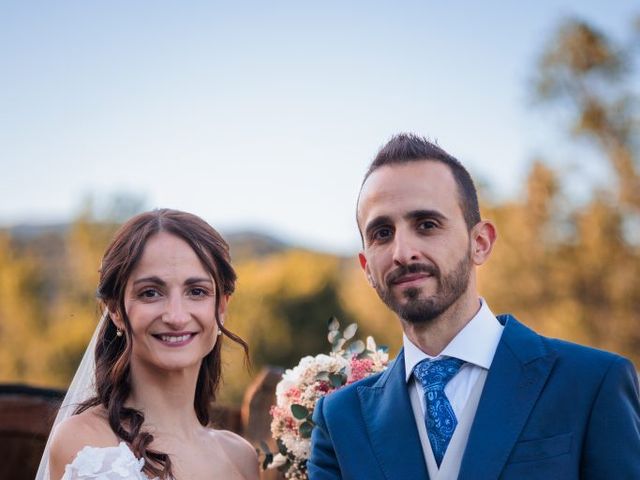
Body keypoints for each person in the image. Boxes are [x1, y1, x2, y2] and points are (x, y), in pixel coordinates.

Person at [308, 134, 640, 479]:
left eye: (426, 225)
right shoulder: (340, 420)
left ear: (480, 242)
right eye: (382, 233)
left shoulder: (591, 383)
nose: (402, 252)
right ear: (366, 268)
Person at [37, 209, 259, 479]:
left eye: (196, 292)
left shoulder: (241, 457)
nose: (176, 317)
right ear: (116, 310)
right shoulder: (85, 443)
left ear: (221, 307)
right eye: (151, 293)